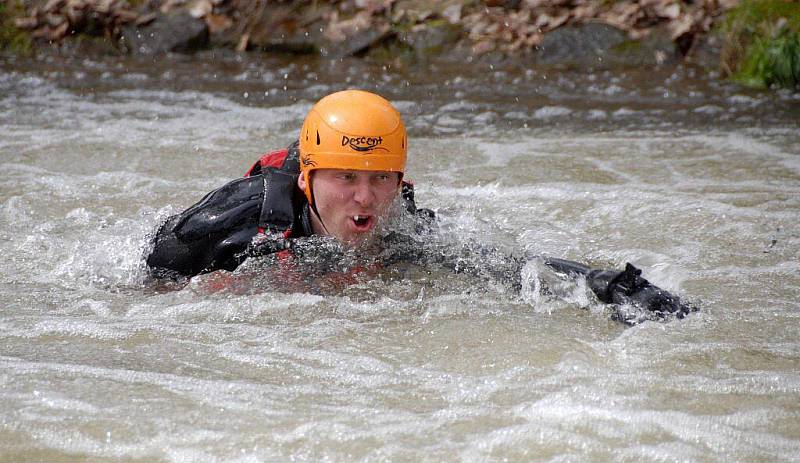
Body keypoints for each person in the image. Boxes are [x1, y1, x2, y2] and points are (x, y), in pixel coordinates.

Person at [146, 89, 695, 324]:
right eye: (347, 179)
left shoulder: (399, 222)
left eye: (381, 179)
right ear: (309, 177)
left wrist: (605, 285)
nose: (365, 198)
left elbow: (499, 266)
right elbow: (153, 266)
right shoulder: (245, 213)